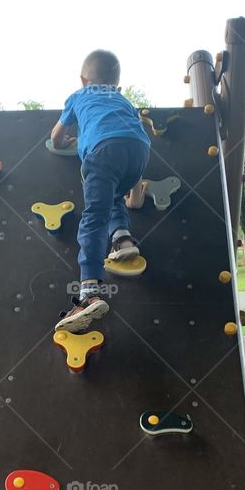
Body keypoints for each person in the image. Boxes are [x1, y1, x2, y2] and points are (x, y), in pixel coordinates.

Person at [50, 49, 151, 332]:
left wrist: (65, 142)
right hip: (139, 152)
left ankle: (89, 292)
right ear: (116, 86)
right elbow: (131, 139)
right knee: (113, 198)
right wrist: (136, 195)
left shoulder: (78, 97)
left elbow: (55, 138)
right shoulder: (123, 101)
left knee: (94, 217)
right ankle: (124, 240)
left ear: (83, 80)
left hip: (102, 153)